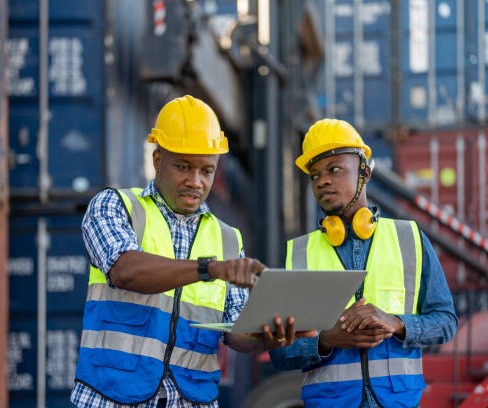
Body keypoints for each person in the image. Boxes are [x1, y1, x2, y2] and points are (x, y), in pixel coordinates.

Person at [70, 95, 304, 408]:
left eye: (206, 171)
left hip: (191, 400)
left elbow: (234, 331)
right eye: (183, 167)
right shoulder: (116, 206)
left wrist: (266, 336)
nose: (195, 182)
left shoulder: (228, 239)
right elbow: (125, 270)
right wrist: (211, 269)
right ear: (157, 160)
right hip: (114, 397)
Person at [267, 119, 458, 408]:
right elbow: (280, 354)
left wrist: (395, 323)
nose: (323, 181)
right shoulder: (299, 253)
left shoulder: (409, 238)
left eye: (334, 170)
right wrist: (327, 340)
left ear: (364, 173)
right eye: (315, 175)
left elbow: (446, 322)